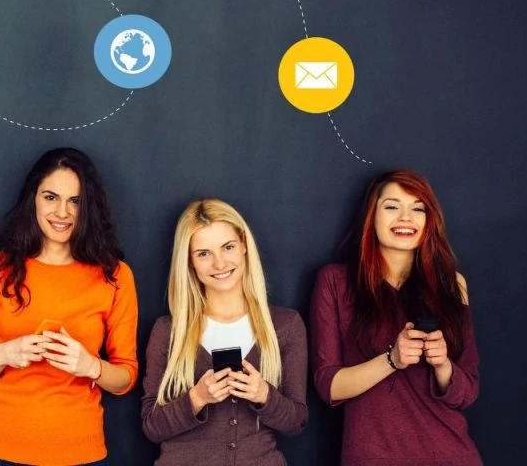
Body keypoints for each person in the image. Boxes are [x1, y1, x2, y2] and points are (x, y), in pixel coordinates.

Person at [0, 147, 139, 466]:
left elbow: (125, 378)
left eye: (75, 201)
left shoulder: (114, 275)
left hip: (82, 455)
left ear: (89, 208)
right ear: (32, 198)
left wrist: (90, 366)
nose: (62, 212)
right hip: (1, 453)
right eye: (50, 197)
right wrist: (2, 354)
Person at [310, 170, 481, 465]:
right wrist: (392, 360)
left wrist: (443, 365)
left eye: (417, 208)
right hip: (373, 456)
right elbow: (329, 386)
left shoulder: (452, 284)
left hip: (452, 454)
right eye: (392, 206)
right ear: (371, 216)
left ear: (430, 221)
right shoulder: (335, 282)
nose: (406, 218)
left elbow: (468, 392)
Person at [141, 198, 308, 465]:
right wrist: (196, 399)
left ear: (243, 245)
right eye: (204, 253)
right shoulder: (168, 331)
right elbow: (151, 427)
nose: (220, 264)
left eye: (227, 247)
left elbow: (297, 423)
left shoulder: (285, 326)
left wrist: (264, 395)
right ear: (190, 262)